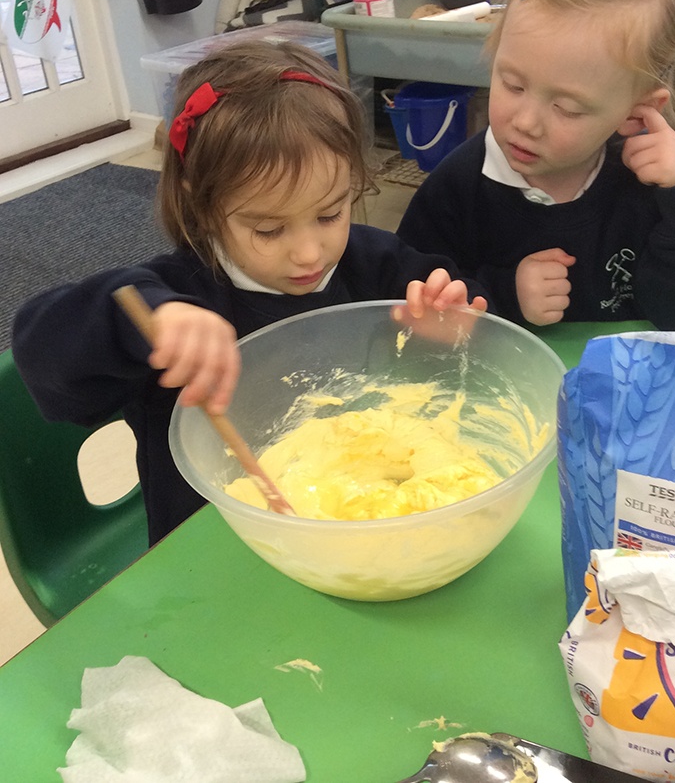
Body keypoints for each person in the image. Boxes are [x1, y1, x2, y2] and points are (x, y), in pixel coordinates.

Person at [12, 40, 487, 545]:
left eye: (330, 214)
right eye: (268, 229)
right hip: (212, 547)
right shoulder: (176, 297)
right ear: (203, 206)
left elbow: (479, 326)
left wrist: (450, 325)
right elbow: (42, 359)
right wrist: (142, 322)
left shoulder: (376, 263)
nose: (309, 253)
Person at [397, 0, 675, 335]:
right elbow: (408, 306)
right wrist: (504, 295)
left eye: (568, 108)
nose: (526, 122)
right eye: (513, 85)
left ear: (634, 113)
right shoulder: (455, 189)